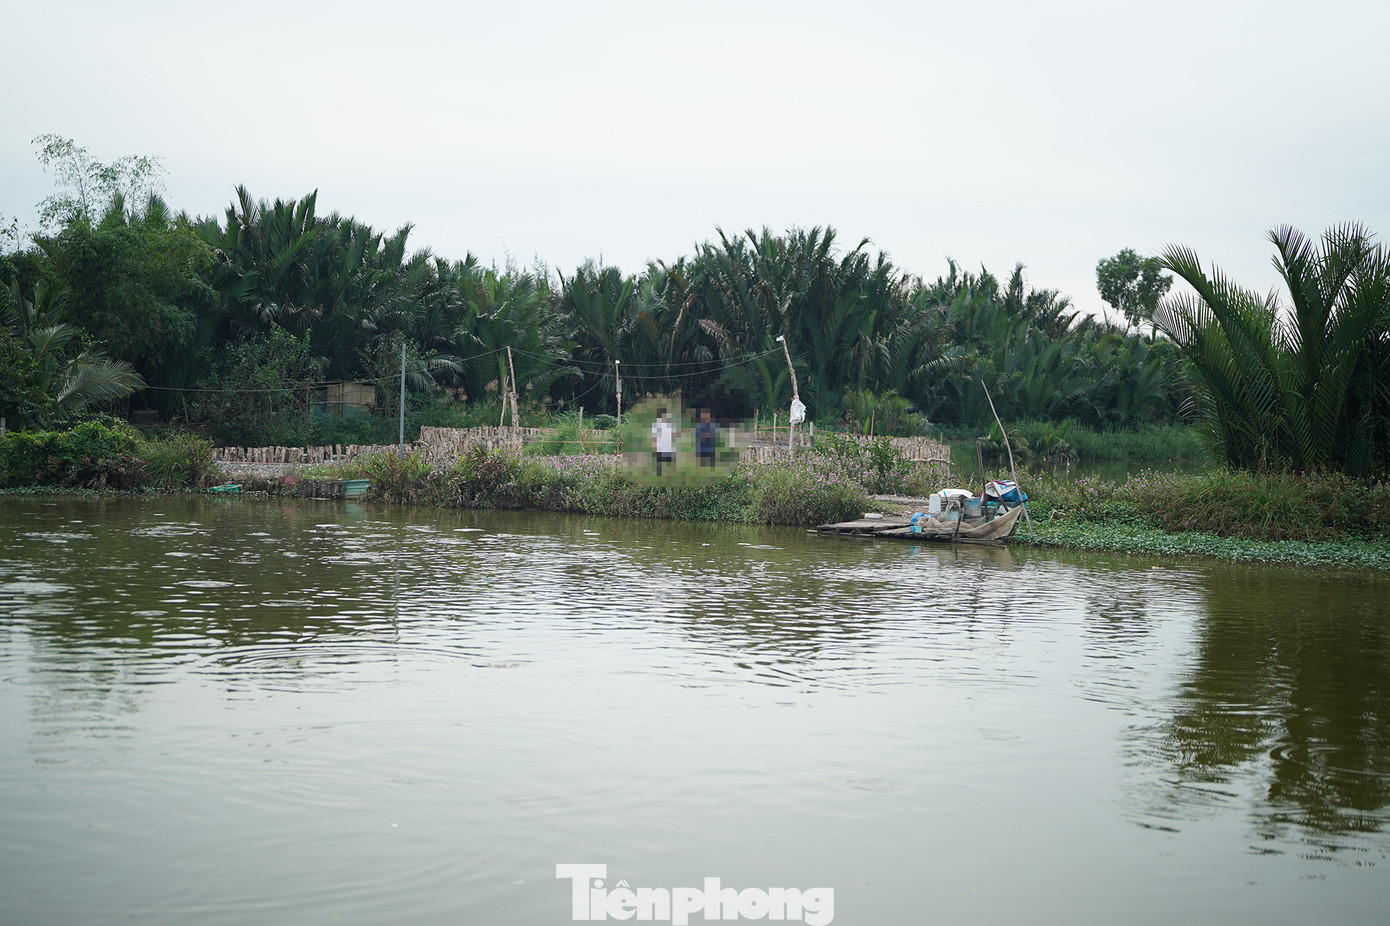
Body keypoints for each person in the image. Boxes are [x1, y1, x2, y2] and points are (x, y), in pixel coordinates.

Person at [651, 408, 675, 475]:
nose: (665, 416)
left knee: (670, 465)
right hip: (659, 448)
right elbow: (653, 437)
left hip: (669, 448)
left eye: (666, 415)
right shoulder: (657, 425)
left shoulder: (671, 424)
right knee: (659, 466)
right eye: (663, 415)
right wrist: (654, 446)